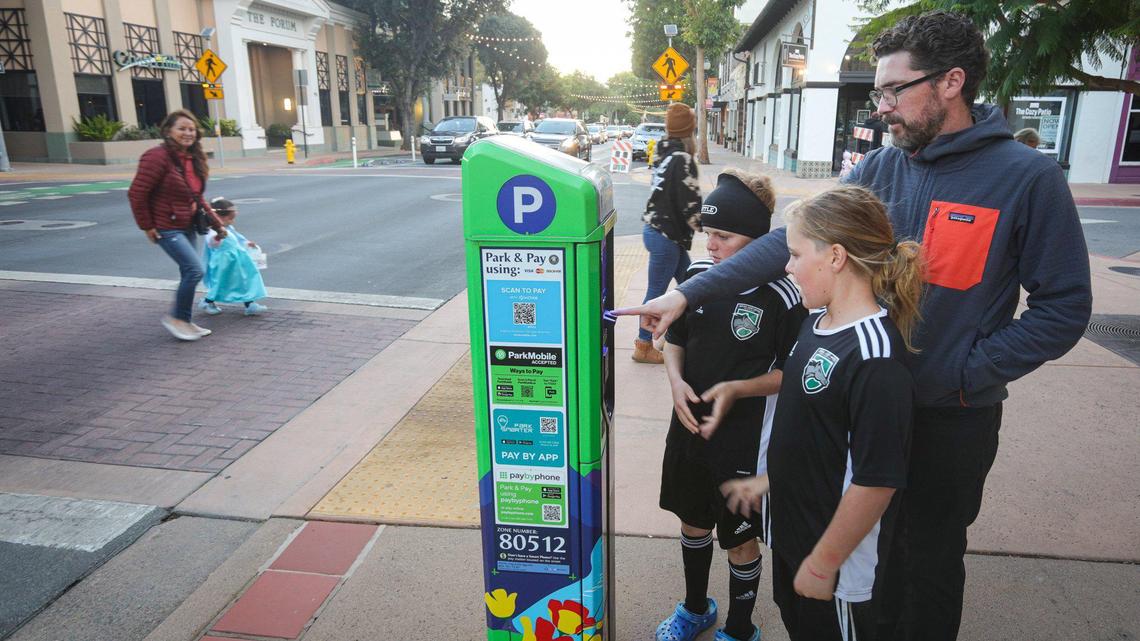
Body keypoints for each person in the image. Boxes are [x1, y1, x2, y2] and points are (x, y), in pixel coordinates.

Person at [619, 10, 1092, 641]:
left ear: (950, 83)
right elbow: (792, 238)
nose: (883, 108)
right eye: (879, 94)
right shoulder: (880, 169)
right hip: (857, 405)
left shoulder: (1025, 178)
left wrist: (961, 373)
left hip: (948, 419)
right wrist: (691, 292)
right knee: (859, 554)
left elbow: (1063, 308)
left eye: (895, 91)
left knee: (925, 566)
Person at [722, 186, 923, 641]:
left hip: (835, 563)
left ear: (835, 257)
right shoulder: (817, 321)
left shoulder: (875, 357)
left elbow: (876, 481)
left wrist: (825, 561)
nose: (787, 266)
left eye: (794, 254)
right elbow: (817, 433)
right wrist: (770, 479)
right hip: (795, 535)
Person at [655, 170, 805, 641]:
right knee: (693, 523)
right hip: (689, 429)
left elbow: (789, 375)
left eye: (725, 236)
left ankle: (740, 630)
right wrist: (676, 381)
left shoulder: (784, 296)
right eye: (707, 234)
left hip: (744, 443)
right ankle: (695, 608)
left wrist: (738, 389)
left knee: (740, 542)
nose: (712, 245)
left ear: (760, 242)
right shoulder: (697, 279)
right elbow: (674, 339)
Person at [129, 109, 226, 341]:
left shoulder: (192, 159)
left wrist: (217, 224)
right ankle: (177, 319)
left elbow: (197, 197)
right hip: (166, 225)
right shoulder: (156, 156)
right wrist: (147, 226)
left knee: (188, 272)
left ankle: (185, 320)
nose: (187, 133)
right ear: (168, 131)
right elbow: (137, 193)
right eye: (181, 128)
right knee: (195, 270)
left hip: (187, 224)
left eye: (191, 129)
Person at [635, 102, 702, 364]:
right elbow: (690, 205)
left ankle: (675, 334)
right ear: (690, 129)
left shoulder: (664, 153)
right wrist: (714, 228)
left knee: (689, 285)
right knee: (657, 292)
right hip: (666, 235)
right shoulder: (683, 159)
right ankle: (643, 344)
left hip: (657, 231)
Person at [198, 198, 268, 316]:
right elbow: (212, 244)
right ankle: (207, 302)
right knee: (221, 283)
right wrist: (218, 237)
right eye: (230, 218)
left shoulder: (228, 228)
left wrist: (246, 243)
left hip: (237, 260)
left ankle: (250, 304)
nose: (232, 221)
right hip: (223, 262)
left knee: (245, 280)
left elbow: (237, 239)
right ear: (219, 217)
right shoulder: (213, 231)